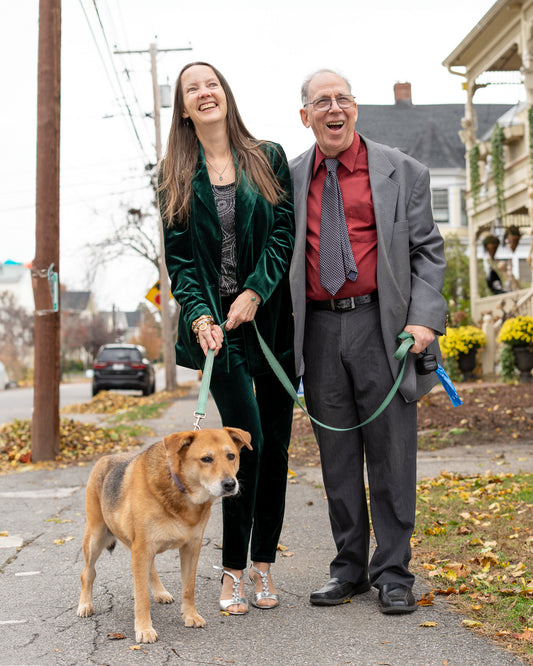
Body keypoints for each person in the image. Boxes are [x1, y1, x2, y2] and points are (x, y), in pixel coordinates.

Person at [289, 69, 447, 614]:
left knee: (391, 454)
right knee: (336, 458)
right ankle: (349, 569)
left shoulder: (403, 171)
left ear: (355, 108)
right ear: (304, 116)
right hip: (317, 327)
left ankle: (394, 572)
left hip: (385, 327)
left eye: (343, 99)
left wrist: (425, 319)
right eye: (321, 102)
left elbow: (428, 250)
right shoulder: (286, 180)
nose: (334, 109)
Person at [158, 62, 296, 615]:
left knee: (277, 449)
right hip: (219, 338)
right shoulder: (172, 174)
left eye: (210, 83)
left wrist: (255, 292)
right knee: (246, 445)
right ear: (185, 110)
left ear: (225, 94)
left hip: (270, 325)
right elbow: (181, 262)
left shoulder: (269, 157)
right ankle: (232, 571)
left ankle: (263, 567)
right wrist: (199, 317)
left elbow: (283, 233)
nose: (204, 92)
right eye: (192, 89)